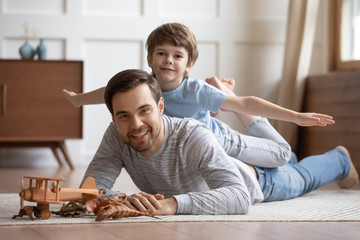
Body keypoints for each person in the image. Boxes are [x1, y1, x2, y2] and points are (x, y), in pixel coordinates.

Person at [81, 69, 358, 215]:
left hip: (259, 181)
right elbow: (90, 191)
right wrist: (121, 198)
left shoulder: (192, 134)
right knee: (287, 157)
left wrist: (172, 204)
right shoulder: (115, 136)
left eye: (144, 111)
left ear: (161, 106)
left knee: (303, 176)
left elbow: (238, 197)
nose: (136, 125)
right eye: (124, 116)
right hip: (229, 161)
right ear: (113, 118)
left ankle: (341, 159)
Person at [64, 22, 335, 168]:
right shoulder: (145, 86)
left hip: (221, 142)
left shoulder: (196, 90)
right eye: (161, 53)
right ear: (149, 57)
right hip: (190, 151)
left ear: (189, 64)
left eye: (177, 56)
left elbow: (246, 103)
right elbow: (110, 92)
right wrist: (78, 100)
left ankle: (225, 90)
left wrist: (297, 116)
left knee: (282, 157)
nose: (168, 60)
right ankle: (224, 92)